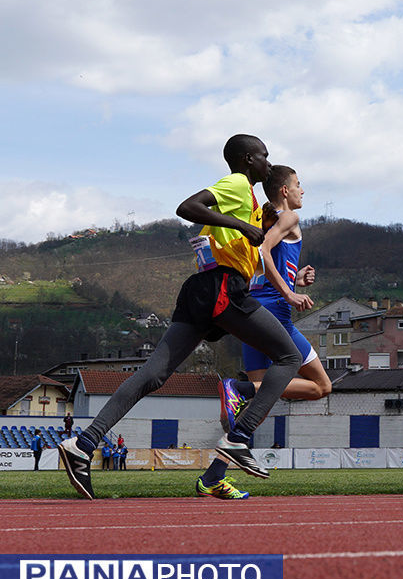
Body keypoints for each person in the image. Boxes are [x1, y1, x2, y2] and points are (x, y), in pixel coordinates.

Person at [57, 134, 302, 500]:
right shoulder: (236, 183)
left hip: (203, 289)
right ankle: (238, 438)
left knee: (153, 374)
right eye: (265, 156)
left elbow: (235, 244)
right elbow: (187, 207)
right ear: (249, 159)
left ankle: (84, 442)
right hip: (221, 287)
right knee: (289, 357)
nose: (269, 163)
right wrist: (244, 227)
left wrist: (257, 225)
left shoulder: (248, 199)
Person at [197, 164, 331, 500]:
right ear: (284, 190)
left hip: (254, 310)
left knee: (259, 404)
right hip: (275, 314)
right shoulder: (288, 218)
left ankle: (212, 477)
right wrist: (288, 293)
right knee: (321, 386)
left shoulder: (263, 220)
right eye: (299, 184)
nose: (303, 190)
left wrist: (294, 279)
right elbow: (262, 250)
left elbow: (257, 265)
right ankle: (238, 386)